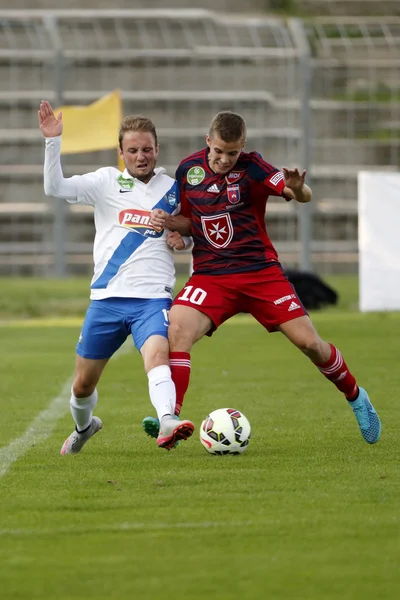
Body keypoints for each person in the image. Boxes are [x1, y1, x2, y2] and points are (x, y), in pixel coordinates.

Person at [142, 111, 381, 445]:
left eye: (233, 153)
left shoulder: (253, 167)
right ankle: (172, 420)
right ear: (208, 142)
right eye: (220, 151)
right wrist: (170, 224)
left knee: (310, 344)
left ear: (243, 147)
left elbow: (299, 193)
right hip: (212, 276)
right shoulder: (188, 170)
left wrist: (299, 189)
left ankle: (356, 396)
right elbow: (189, 220)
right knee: (177, 331)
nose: (225, 159)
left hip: (260, 274)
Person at [38, 100, 195, 453]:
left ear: (157, 149)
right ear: (121, 152)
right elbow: (55, 188)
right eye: (133, 150)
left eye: (147, 149)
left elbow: (190, 229)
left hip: (153, 297)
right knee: (81, 385)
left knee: (157, 356)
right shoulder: (106, 181)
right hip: (106, 300)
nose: (141, 156)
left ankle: (168, 419)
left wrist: (178, 236)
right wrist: (52, 141)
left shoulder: (173, 189)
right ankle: (85, 426)